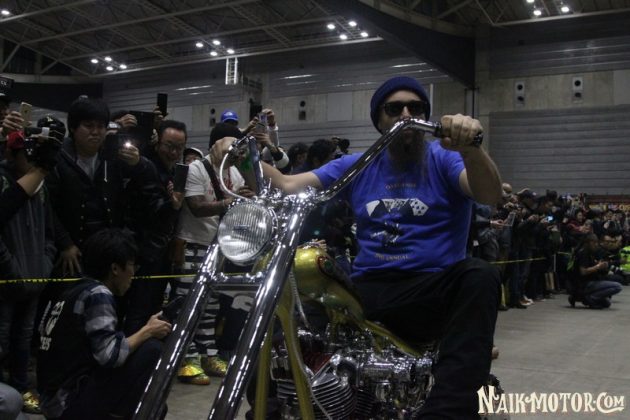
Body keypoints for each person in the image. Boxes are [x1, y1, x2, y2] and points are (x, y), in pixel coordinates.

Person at [214, 75, 502, 419]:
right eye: (394, 108)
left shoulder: (444, 158)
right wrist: (238, 155)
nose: (406, 115)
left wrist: (471, 149)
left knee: (480, 275)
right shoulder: (358, 164)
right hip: (367, 287)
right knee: (289, 315)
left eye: (416, 108)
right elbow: (287, 184)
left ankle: (446, 413)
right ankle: (274, 409)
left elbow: (489, 194)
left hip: (431, 288)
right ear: (379, 119)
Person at [37, 228, 172, 420]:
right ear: (115, 269)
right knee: (152, 350)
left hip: (51, 398)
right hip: (68, 403)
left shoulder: (71, 289)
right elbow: (110, 356)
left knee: (155, 405)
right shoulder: (98, 294)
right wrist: (147, 331)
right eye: (131, 265)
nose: (133, 273)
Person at [173, 122, 254, 385]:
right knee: (188, 303)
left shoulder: (235, 173)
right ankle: (186, 357)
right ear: (215, 145)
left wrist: (246, 198)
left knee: (211, 306)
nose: (233, 152)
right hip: (193, 243)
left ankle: (208, 354)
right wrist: (230, 202)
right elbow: (196, 207)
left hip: (219, 247)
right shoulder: (196, 169)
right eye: (229, 145)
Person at [47, 97, 152, 276]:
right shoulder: (57, 158)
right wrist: (65, 243)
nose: (95, 132)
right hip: (69, 250)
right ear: (73, 128)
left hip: (107, 248)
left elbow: (147, 186)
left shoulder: (113, 156)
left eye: (101, 126)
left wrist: (139, 163)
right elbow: (46, 206)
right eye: (88, 126)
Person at [121, 120, 186, 335]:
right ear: (158, 143)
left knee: (154, 308)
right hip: (142, 253)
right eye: (169, 145)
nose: (173, 152)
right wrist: (172, 204)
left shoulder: (174, 172)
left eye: (179, 147)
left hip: (161, 254)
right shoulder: (147, 167)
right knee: (138, 310)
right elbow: (152, 212)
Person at [569, 233, 623, 308]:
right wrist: (597, 266)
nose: (596, 245)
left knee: (607, 303)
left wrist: (601, 266)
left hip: (590, 281)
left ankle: (580, 297)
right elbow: (583, 271)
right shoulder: (583, 253)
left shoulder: (591, 253)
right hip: (584, 284)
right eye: (594, 243)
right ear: (587, 243)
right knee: (618, 286)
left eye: (596, 243)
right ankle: (590, 298)